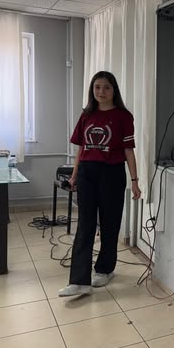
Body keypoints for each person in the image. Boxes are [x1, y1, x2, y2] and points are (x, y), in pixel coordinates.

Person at [58, 71, 141, 297]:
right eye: (97, 87)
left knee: (109, 224)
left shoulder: (124, 116)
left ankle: (105, 269)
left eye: (106, 87)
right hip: (87, 173)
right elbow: (81, 149)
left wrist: (135, 181)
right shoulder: (87, 115)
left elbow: (128, 151)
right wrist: (75, 174)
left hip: (112, 173)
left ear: (114, 90)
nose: (101, 92)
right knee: (85, 225)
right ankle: (79, 281)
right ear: (92, 90)